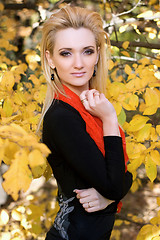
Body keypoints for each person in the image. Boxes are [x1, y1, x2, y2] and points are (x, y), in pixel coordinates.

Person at [40, 5, 133, 240]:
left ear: (98, 54)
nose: (79, 63)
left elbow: (123, 175)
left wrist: (109, 196)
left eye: (87, 51)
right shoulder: (61, 116)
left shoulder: (94, 107)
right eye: (66, 53)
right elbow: (115, 184)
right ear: (50, 59)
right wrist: (111, 119)